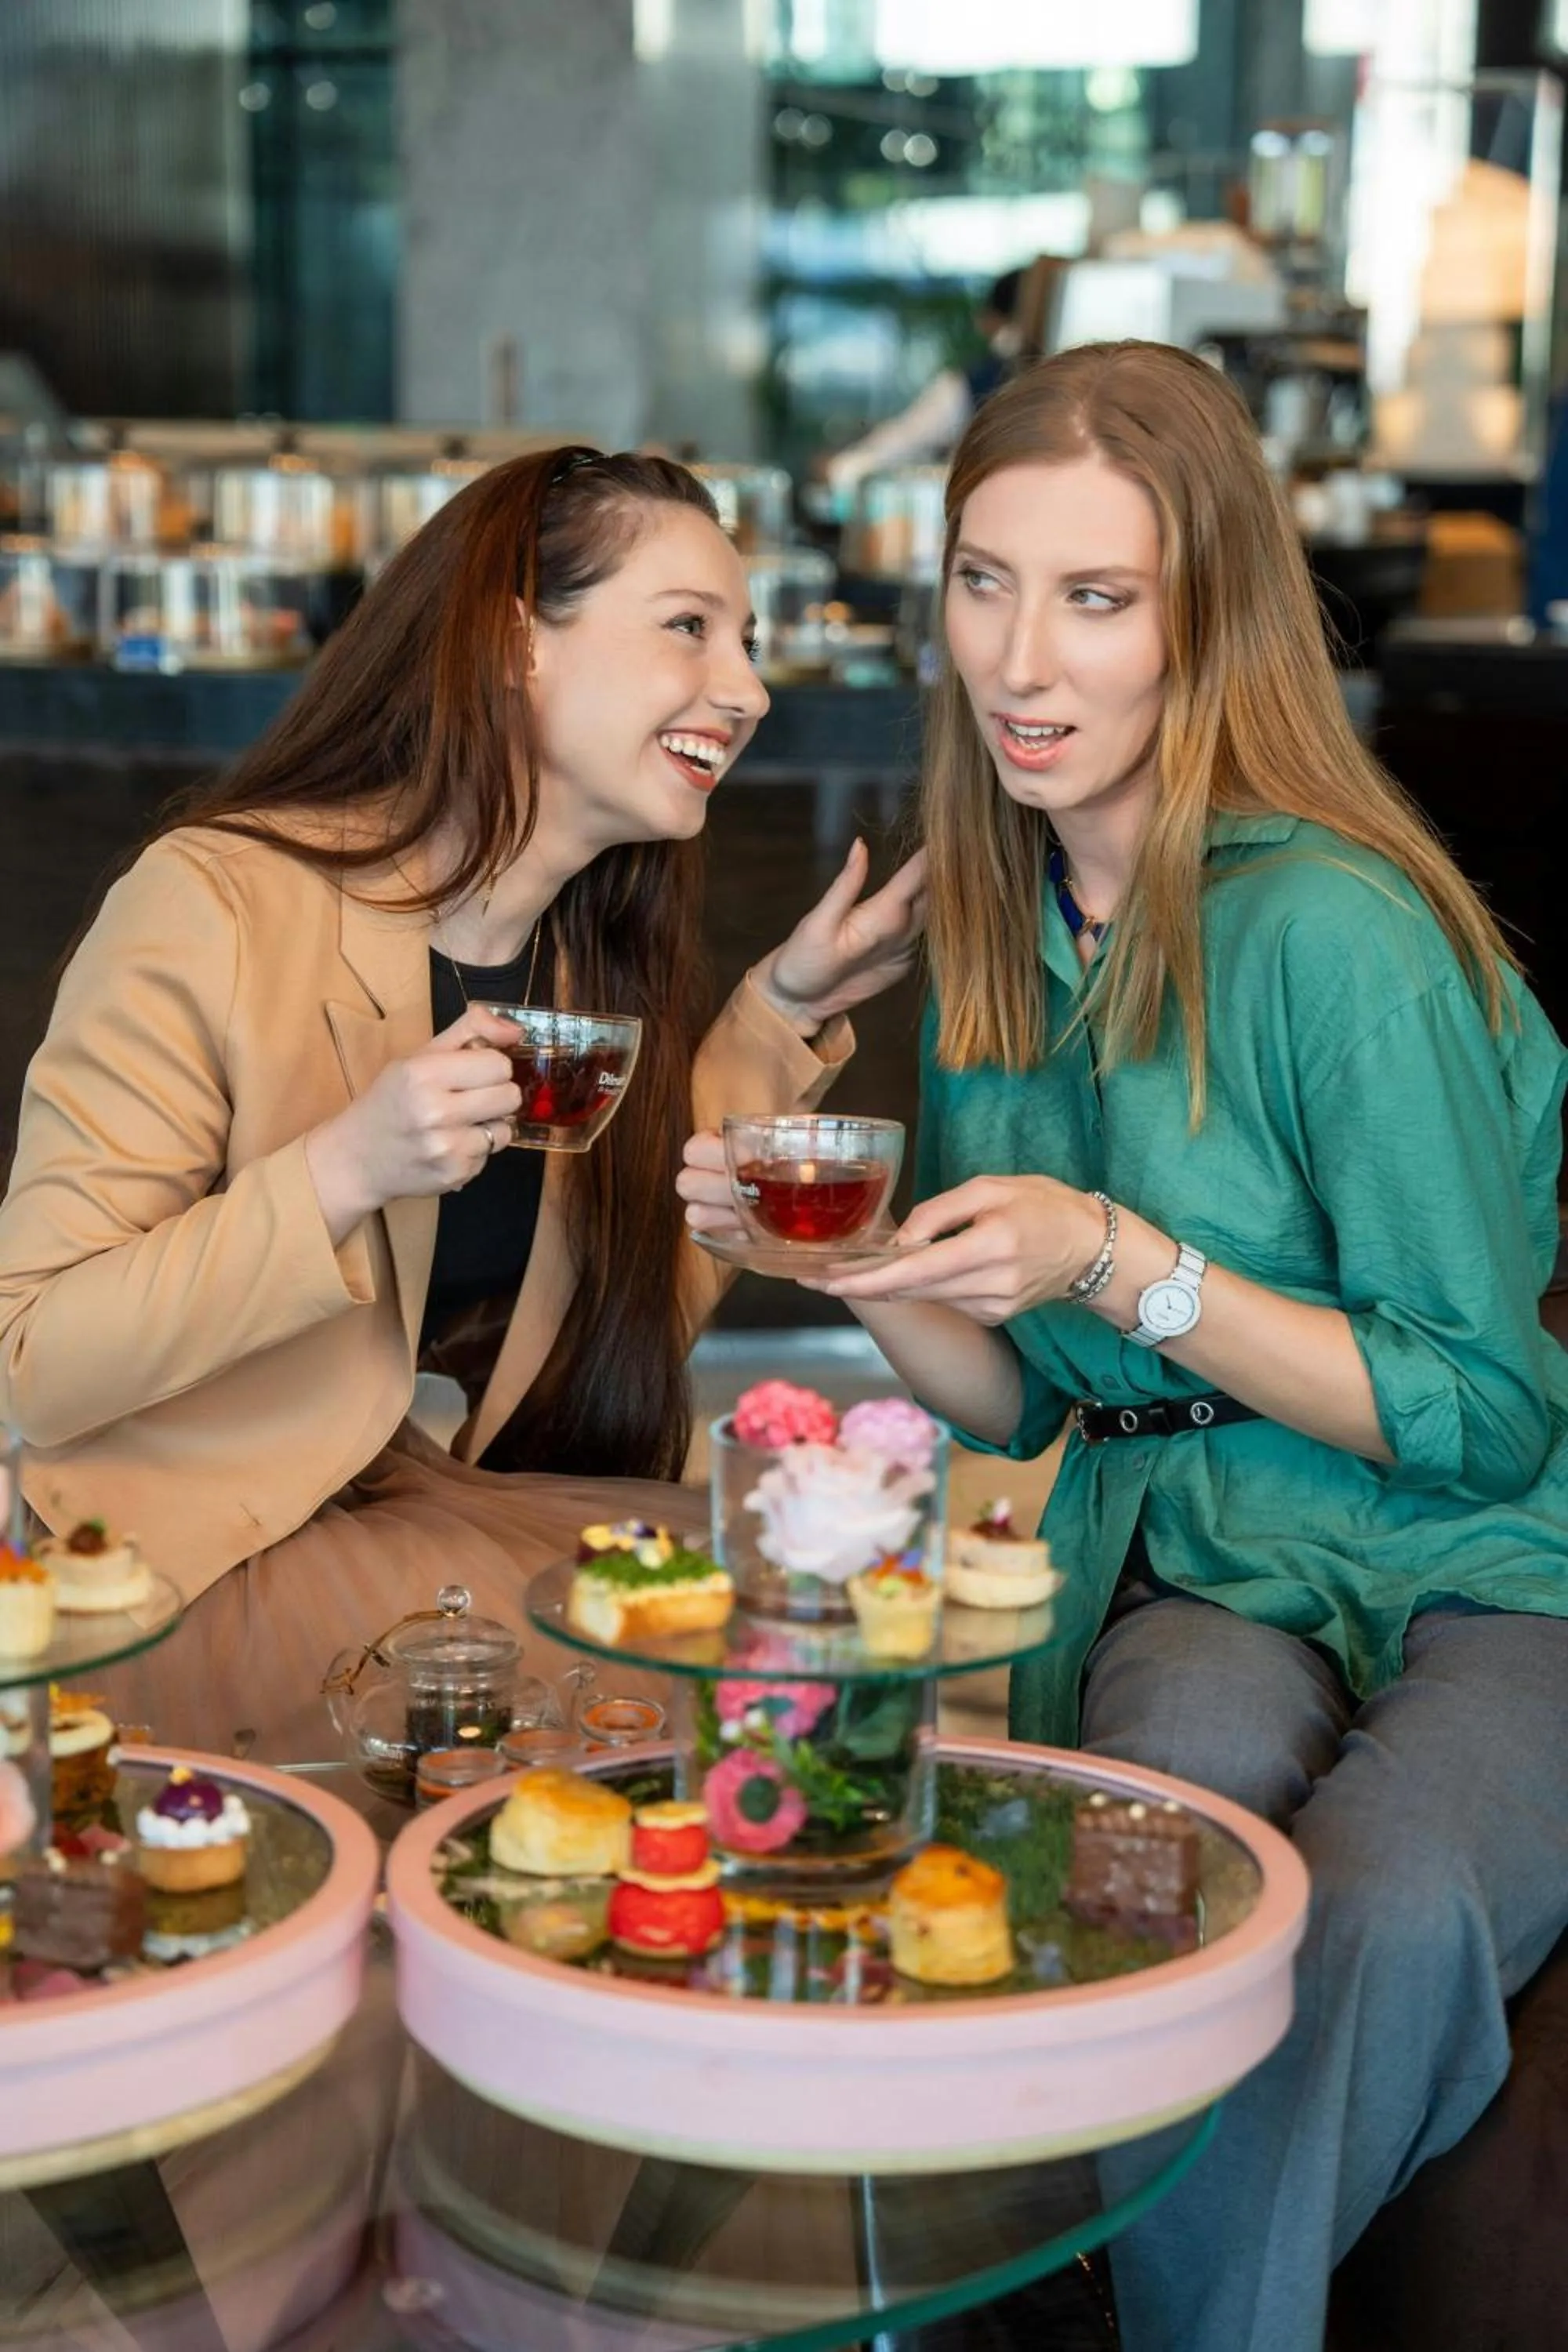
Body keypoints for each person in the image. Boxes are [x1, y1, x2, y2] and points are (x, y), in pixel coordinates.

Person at [681, 342, 1568, 2352]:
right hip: (1192, 1553)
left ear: (1202, 622)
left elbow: (1475, 1406)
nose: (1020, 655)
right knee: (1146, 1829)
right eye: (982, 582)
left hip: (1492, 1563)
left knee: (1381, 1898)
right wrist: (843, 1267)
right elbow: (1024, 1394)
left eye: (1092, 597)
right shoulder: (1002, 920)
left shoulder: (1326, 927)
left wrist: (1119, 1254)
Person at [0, 448, 924, 1609]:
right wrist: (343, 1169)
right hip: (194, 1564)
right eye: (690, 627)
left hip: (451, 1540)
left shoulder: (586, 954)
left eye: (746, 641)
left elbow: (610, 1336)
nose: (747, 690)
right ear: (511, 642)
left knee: (816, 1610)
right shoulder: (213, 902)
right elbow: (35, 1364)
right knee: (741, 1666)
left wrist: (785, 1006)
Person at [821, 267, 1036, 502]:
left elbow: (896, 445)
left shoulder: (970, 383)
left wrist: (842, 468)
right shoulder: (983, 380)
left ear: (989, 320)